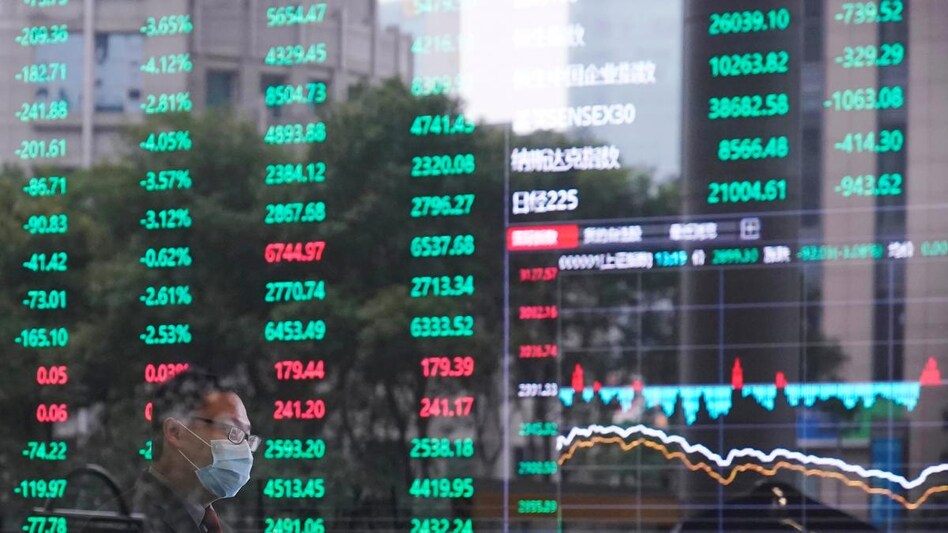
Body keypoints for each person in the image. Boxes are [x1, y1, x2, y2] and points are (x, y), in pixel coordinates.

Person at [132, 370, 258, 533]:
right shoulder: (132, 521)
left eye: (247, 437)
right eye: (233, 431)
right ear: (175, 431)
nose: (245, 448)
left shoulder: (214, 527)